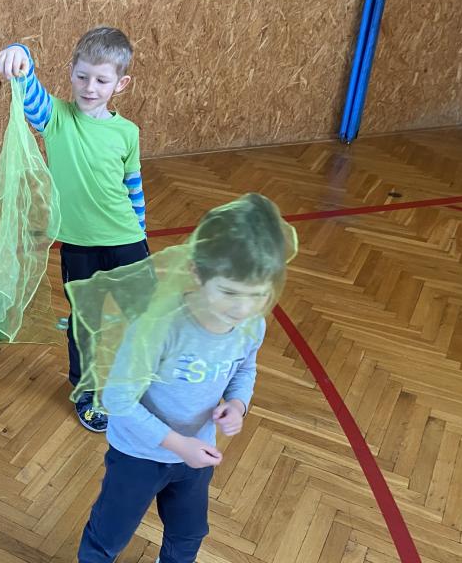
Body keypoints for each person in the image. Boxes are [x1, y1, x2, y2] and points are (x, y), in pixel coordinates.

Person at [71, 193, 297, 562]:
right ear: (196, 273)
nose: (242, 307)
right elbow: (117, 399)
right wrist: (178, 445)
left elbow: (244, 367)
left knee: (188, 533)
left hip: (195, 453)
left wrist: (238, 403)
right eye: (229, 292)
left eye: (257, 294)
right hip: (138, 454)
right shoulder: (159, 327)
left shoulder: (250, 324)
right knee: (110, 532)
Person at [0, 26, 148, 432]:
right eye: (82, 76)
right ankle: (87, 390)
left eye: (102, 80)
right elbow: (28, 88)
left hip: (128, 242)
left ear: (121, 84)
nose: (90, 88)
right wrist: (19, 53)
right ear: (71, 72)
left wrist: (142, 234)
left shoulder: (128, 132)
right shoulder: (56, 118)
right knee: (85, 324)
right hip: (79, 248)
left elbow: (133, 187)